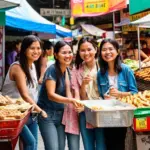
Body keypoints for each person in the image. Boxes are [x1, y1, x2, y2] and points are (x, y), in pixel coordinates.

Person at [2, 35, 47, 150]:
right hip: (14, 114)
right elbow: (24, 95)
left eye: (38, 48)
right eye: (32, 48)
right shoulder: (18, 67)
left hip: (29, 112)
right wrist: (40, 110)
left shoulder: (31, 65)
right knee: (30, 142)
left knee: (33, 144)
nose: (36, 51)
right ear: (24, 49)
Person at [38, 41, 82, 150]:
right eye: (64, 53)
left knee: (60, 147)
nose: (68, 55)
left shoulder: (67, 70)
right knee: (53, 148)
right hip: (47, 115)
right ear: (56, 55)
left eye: (69, 52)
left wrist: (76, 101)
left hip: (61, 115)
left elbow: (68, 92)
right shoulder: (52, 70)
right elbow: (51, 95)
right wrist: (71, 101)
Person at [97, 39, 138, 150]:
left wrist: (119, 94)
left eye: (111, 49)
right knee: (109, 143)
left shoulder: (126, 70)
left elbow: (135, 93)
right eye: (104, 49)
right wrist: (103, 98)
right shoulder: (100, 73)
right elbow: (101, 94)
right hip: (106, 114)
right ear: (100, 53)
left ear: (117, 51)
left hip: (122, 114)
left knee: (119, 143)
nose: (107, 52)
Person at [71, 37, 106, 150]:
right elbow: (80, 96)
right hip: (84, 113)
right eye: (82, 50)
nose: (86, 53)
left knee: (101, 146)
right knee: (88, 146)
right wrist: (84, 85)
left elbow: (108, 94)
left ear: (96, 49)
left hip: (102, 112)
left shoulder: (103, 67)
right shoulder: (77, 70)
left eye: (89, 49)